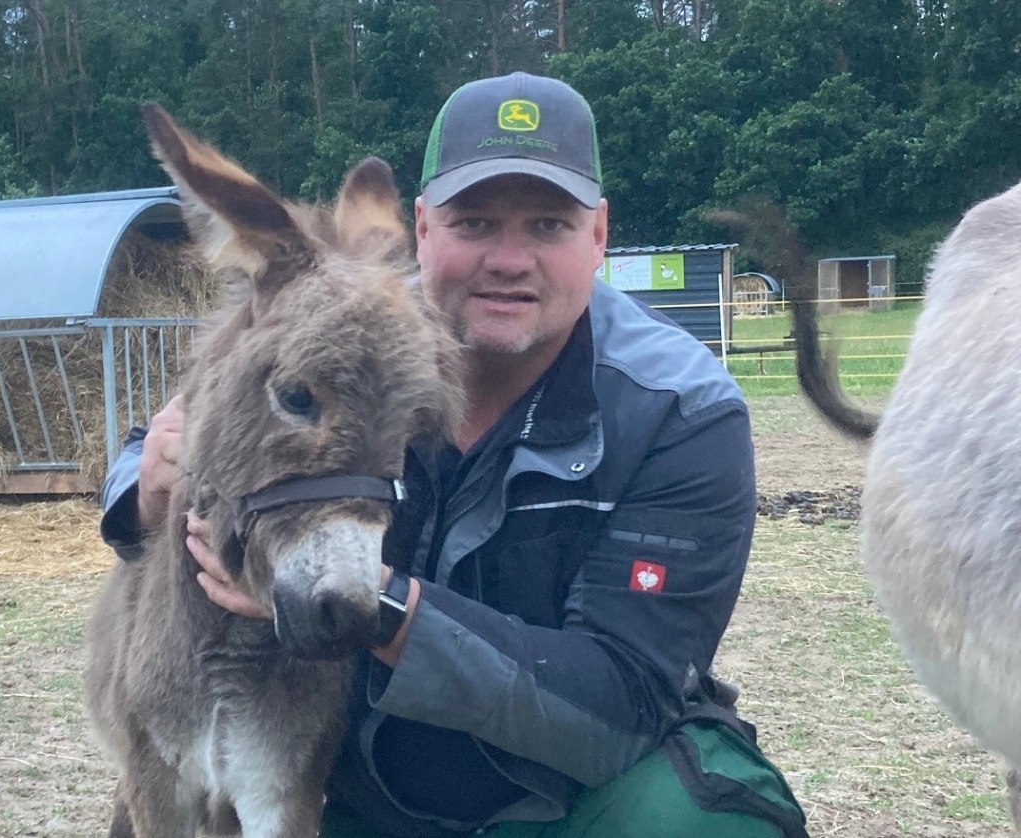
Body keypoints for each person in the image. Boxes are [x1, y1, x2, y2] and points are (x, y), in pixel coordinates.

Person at [99, 72, 808, 838]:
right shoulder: (356, 349)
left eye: (547, 225)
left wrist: (385, 609)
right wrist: (135, 487)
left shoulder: (681, 412)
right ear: (423, 229)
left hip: (565, 798)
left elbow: (621, 704)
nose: (509, 259)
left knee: (706, 825)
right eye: (474, 223)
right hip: (371, 787)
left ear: (599, 234)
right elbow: (196, 418)